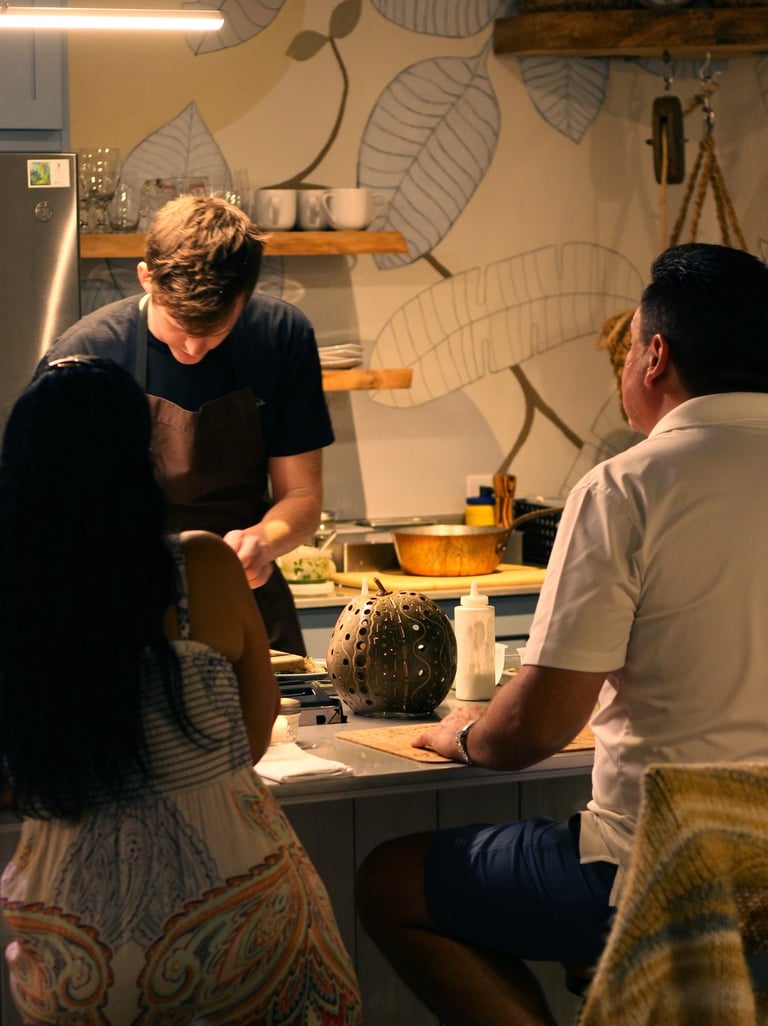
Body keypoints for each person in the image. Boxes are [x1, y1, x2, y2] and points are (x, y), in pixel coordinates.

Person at [355, 242, 768, 1026]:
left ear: (655, 357)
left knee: (389, 880)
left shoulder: (629, 487)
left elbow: (538, 727)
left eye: (628, 349)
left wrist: (465, 734)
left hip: (657, 876)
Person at [0, 357, 361, 1025]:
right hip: (242, 920)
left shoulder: (16, 609)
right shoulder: (202, 567)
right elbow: (250, 739)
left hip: (78, 946)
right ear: (139, 463)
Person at [38, 194, 334, 656]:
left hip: (241, 597)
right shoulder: (86, 357)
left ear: (245, 297)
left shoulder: (281, 336)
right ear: (145, 278)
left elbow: (301, 495)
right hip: (120, 608)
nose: (193, 349)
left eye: (214, 332)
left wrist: (263, 541)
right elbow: (47, 516)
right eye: (179, 326)